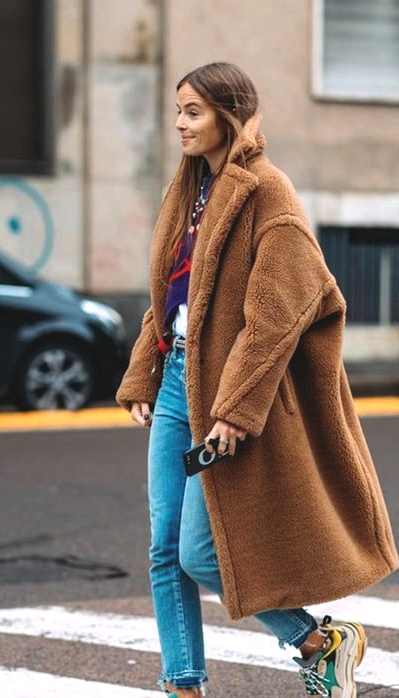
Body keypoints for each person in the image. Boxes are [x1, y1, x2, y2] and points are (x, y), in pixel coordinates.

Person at [116, 62, 398, 698]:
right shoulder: (189, 191)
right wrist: (143, 372)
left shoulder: (269, 194)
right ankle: (183, 684)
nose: (181, 124)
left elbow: (275, 317)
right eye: (178, 111)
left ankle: (317, 641)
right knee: (163, 551)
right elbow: (169, 295)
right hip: (175, 385)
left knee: (198, 552)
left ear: (229, 114)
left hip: (223, 391)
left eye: (194, 111)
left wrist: (236, 408)